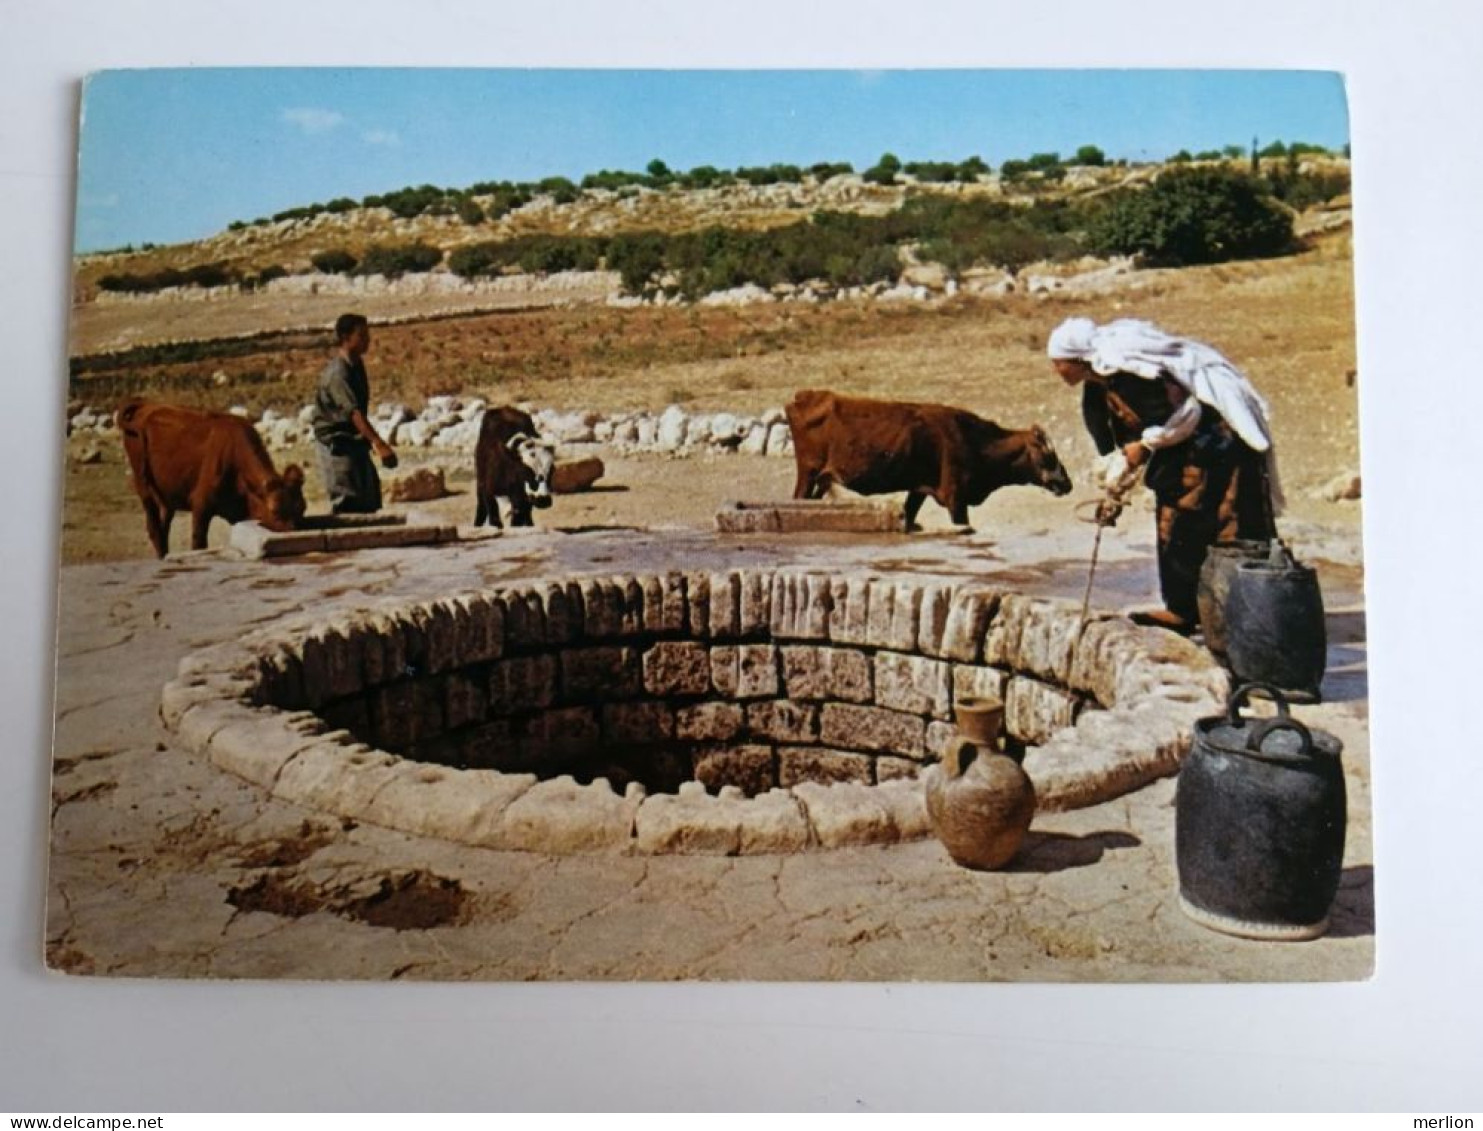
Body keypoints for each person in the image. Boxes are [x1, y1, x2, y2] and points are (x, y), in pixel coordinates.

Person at [1047, 316, 1280, 634]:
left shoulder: (1135, 378)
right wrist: (1115, 491)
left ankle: (1245, 617)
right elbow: (1120, 450)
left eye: (1059, 363)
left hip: (1217, 445)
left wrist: (1145, 445)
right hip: (1180, 453)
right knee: (1174, 524)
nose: (1055, 370)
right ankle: (1183, 609)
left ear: (1077, 360)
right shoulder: (1097, 391)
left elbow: (1188, 412)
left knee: (1231, 524)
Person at [311, 313, 398, 514]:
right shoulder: (338, 374)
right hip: (337, 445)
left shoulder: (356, 365)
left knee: (369, 499)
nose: (367, 340)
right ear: (345, 337)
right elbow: (353, 413)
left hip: (354, 442)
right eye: (362, 335)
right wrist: (379, 443)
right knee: (347, 502)